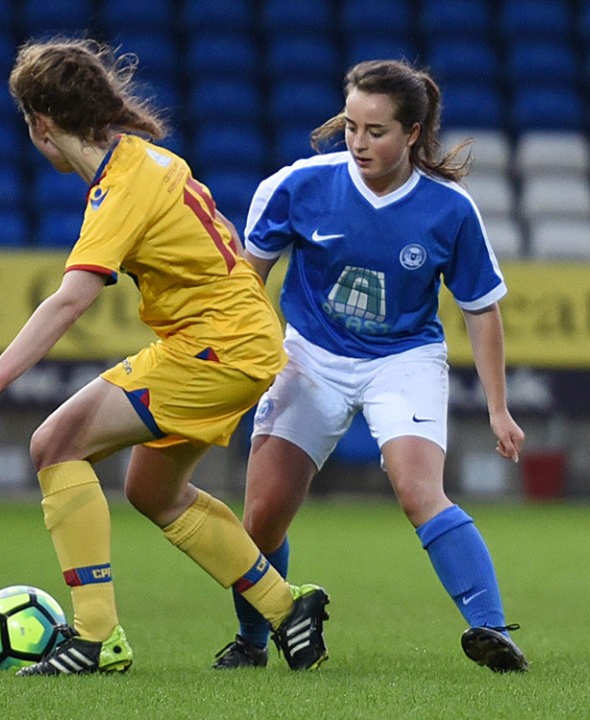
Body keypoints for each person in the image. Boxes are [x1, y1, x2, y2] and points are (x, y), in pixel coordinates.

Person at [0, 38, 330, 676]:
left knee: (53, 445)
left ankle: (96, 638)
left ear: (42, 124)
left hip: (217, 347)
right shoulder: (147, 160)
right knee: (152, 490)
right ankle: (287, 607)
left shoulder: (120, 187)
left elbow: (71, 300)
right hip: (240, 340)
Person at [211, 59, 528, 673]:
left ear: (412, 133)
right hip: (310, 355)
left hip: (403, 358)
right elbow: (247, 283)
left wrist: (499, 408)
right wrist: (240, 362)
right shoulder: (298, 186)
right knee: (263, 516)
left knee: (418, 491)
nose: (358, 142)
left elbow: (481, 310)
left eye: (376, 131)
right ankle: (252, 641)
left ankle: (491, 630)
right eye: (351, 126)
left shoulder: (450, 209)